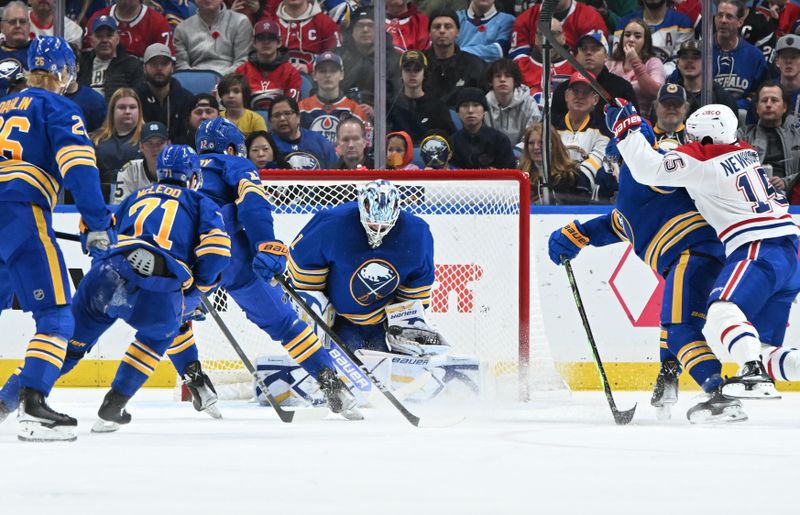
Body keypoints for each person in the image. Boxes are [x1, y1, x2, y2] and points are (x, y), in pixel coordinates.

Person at [548, 120, 745, 423]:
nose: (611, 170)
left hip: (694, 256)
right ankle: (668, 375)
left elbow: (659, 165)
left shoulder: (648, 173)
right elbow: (616, 224)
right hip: (696, 260)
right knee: (672, 323)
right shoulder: (632, 201)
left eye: (614, 162)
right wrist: (575, 234)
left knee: (680, 330)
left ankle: (717, 393)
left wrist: (635, 133)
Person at [607, 100, 800, 404]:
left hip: (758, 246)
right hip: (790, 251)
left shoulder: (704, 160)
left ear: (707, 140)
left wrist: (626, 130)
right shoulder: (745, 151)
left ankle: (751, 374)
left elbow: (646, 169)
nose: (689, 143)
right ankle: (756, 366)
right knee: (763, 349)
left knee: (722, 309)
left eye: (693, 138)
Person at [170, 117, 363, 419]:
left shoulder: (183, 165)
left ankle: (196, 380)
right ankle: (330, 382)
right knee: (286, 325)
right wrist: (264, 244)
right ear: (233, 148)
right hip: (227, 250)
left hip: (181, 251)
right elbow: (252, 202)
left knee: (173, 317)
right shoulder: (234, 164)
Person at [29, 145, 229, 431]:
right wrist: (196, 290)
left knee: (66, 347)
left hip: (107, 278)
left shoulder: (135, 197)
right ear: (194, 177)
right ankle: (116, 402)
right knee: (158, 335)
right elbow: (218, 251)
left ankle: (16, 398)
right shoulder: (200, 202)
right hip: (159, 288)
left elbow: (102, 235)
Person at [0, 36, 114, 441]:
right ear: (63, 74)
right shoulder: (59, 106)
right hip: (21, 212)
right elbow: (78, 166)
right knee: (57, 319)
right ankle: (33, 405)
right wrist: (97, 222)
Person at [287, 179, 445, 378]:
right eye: (373, 222)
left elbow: (413, 297)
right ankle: (312, 368)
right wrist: (319, 327)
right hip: (339, 322)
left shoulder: (417, 233)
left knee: (394, 367)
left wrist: (405, 328)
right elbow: (304, 282)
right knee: (310, 309)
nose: (378, 229)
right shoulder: (331, 224)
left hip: (381, 324)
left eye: (384, 224)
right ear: (362, 208)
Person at [551, 31, 638, 120]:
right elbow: (552, 125)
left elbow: (635, 125)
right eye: (583, 49)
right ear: (576, 56)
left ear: (606, 56)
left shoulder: (622, 88)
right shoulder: (564, 88)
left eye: (595, 49)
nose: (588, 52)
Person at [337, 7, 402, 118]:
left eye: (370, 26)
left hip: (385, 121)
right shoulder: (339, 57)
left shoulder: (393, 59)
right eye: (360, 26)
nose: (365, 30)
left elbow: (398, 97)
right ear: (352, 31)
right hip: (341, 114)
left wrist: (377, 112)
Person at [553, 71, 611, 197]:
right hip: (551, 191)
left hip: (585, 196)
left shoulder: (603, 131)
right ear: (566, 95)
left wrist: (569, 178)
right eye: (575, 91)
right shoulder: (550, 126)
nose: (580, 96)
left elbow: (595, 163)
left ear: (595, 99)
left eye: (585, 92)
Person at [740, 83, 800, 196]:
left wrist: (786, 182)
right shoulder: (743, 135)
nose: (768, 104)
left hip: (791, 198)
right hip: (752, 196)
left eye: (774, 100)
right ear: (757, 108)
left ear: (784, 107)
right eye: (764, 100)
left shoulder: (797, 137)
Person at [713, 0, 769, 117]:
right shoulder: (701, 52)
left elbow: (760, 94)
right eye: (720, 15)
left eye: (729, 16)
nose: (723, 20)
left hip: (740, 115)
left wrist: (734, 106)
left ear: (740, 22)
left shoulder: (754, 56)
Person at [299, 51, 368, 145]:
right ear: (314, 75)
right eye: (323, 71)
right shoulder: (301, 108)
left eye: (333, 71)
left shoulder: (355, 110)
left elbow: (364, 146)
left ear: (341, 75)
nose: (328, 75)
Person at [387, 50, 456, 144]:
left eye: (417, 70)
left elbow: (450, 139)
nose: (412, 74)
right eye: (407, 70)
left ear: (424, 74)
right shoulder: (391, 107)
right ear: (401, 74)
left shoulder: (438, 107)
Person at [258, 0, 342, 77]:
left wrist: (310, 68)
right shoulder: (269, 25)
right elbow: (259, 58)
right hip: (275, 81)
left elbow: (337, 57)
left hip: (314, 82)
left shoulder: (326, 23)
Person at [424, 9, 487, 108]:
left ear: (458, 32)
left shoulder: (475, 65)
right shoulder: (418, 64)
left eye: (448, 27)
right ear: (429, 33)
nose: (442, 31)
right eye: (437, 27)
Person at [612, 0, 693, 76]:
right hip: (629, 81)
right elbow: (618, 58)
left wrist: (654, 74)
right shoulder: (625, 23)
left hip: (669, 84)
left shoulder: (682, 22)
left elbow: (681, 62)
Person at [235, 18, 302, 110]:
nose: (266, 42)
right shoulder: (242, 70)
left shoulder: (291, 71)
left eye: (271, 38)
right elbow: (237, 105)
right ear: (254, 43)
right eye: (261, 38)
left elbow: (291, 106)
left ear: (279, 43)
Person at [134, 43, 195, 144]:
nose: (159, 68)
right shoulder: (135, 98)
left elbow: (190, 136)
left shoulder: (186, 99)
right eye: (154, 63)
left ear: (172, 67)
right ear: (144, 68)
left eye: (164, 63)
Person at [174, 0, 253, 76]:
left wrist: (219, 78)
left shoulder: (240, 21)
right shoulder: (182, 28)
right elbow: (182, 65)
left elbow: (243, 61)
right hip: (194, 81)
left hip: (230, 82)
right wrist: (197, 79)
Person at [510, 0, 607, 60]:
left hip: (576, 82)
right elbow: (518, 59)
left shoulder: (591, 18)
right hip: (533, 81)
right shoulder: (525, 20)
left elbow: (595, 61)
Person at [520, 122, 591, 204]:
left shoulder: (573, 175)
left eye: (541, 143)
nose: (536, 147)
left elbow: (584, 208)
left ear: (554, 145)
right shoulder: (520, 176)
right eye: (531, 143)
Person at [78, 15, 144, 101]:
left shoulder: (133, 65)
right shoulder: (82, 65)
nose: (105, 40)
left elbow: (138, 98)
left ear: (117, 39)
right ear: (91, 41)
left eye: (109, 36)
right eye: (99, 36)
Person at [607, 19, 666, 116]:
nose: (631, 39)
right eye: (627, 35)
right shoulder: (610, 63)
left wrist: (635, 62)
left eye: (637, 36)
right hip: (611, 118)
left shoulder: (653, 63)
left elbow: (656, 92)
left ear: (645, 42)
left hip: (641, 120)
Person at [667, 39, 739, 118]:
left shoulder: (722, 98)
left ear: (706, 62)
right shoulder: (670, 94)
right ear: (678, 63)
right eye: (684, 57)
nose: (689, 61)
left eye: (695, 57)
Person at [450, 86, 516, 169]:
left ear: (484, 111)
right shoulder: (452, 143)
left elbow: (511, 174)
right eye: (465, 105)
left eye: (476, 105)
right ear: (458, 113)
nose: (470, 110)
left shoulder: (500, 141)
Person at [83, 0, 174, 59]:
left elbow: (165, 64)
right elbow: (86, 58)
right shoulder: (97, 18)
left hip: (142, 80)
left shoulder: (158, 22)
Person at [270, 95, 338, 169]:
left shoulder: (319, 141)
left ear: (298, 117)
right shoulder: (268, 145)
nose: (282, 119)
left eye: (287, 113)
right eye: (276, 115)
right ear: (270, 121)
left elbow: (336, 171)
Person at [92, 88, 144, 185]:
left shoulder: (147, 138)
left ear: (139, 111)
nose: (127, 111)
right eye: (122, 107)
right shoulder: (96, 139)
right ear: (112, 111)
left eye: (132, 107)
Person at [484, 58, 541, 145]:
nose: (502, 79)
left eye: (507, 76)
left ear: (515, 81)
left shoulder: (529, 103)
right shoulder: (483, 104)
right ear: (491, 81)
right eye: (498, 76)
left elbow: (532, 137)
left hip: (523, 154)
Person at [113, 121, 171, 203]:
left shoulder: (179, 171)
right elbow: (120, 207)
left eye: (160, 143)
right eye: (150, 144)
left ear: (169, 144)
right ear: (141, 146)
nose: (155, 148)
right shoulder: (129, 171)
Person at [516, 18, 574, 95]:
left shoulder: (576, 67)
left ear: (563, 38)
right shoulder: (520, 65)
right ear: (536, 39)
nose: (547, 40)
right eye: (542, 34)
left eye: (553, 34)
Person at [218, 73, 268, 137]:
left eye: (236, 91)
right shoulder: (216, 118)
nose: (231, 96)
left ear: (244, 94)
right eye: (226, 92)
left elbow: (260, 144)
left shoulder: (256, 119)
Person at [0, 2, 32, 95]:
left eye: (22, 21)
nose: (18, 25)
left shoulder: (39, 53)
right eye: (12, 22)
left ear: (28, 27)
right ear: (2, 27)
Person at [652, 83, 689, 151]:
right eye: (666, 103)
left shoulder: (693, 137)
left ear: (686, 108)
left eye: (677, 103)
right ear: (656, 106)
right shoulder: (645, 138)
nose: (671, 107)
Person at [774, 34, 800, 126]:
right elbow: (751, 132)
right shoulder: (766, 93)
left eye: (794, 57)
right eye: (784, 57)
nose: (789, 61)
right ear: (777, 61)